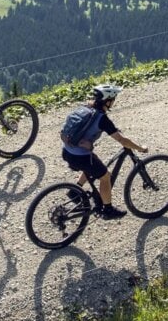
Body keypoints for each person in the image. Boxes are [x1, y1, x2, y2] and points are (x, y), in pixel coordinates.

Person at [61, 83, 147, 220]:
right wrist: (140, 148)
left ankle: (75, 191)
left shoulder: (85, 107)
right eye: (113, 99)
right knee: (105, 176)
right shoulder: (102, 119)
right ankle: (107, 209)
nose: (114, 102)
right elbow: (122, 141)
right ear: (108, 101)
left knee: (92, 163)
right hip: (80, 156)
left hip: (67, 151)